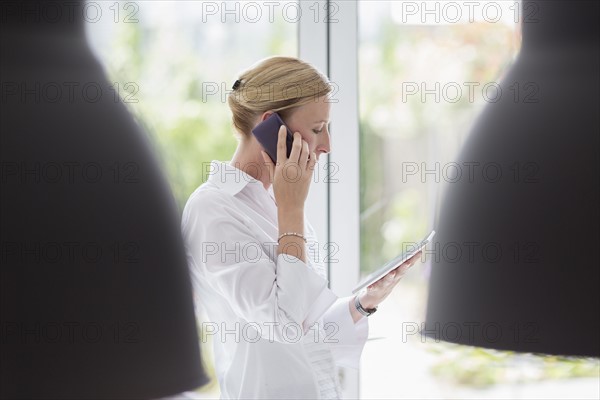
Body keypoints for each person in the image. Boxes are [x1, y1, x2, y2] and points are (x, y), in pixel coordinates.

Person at [181, 56, 420, 399]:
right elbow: (284, 324)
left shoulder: (276, 202)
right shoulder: (213, 210)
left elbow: (308, 334)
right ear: (270, 127)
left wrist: (363, 303)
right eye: (317, 128)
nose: (327, 146)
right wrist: (292, 208)